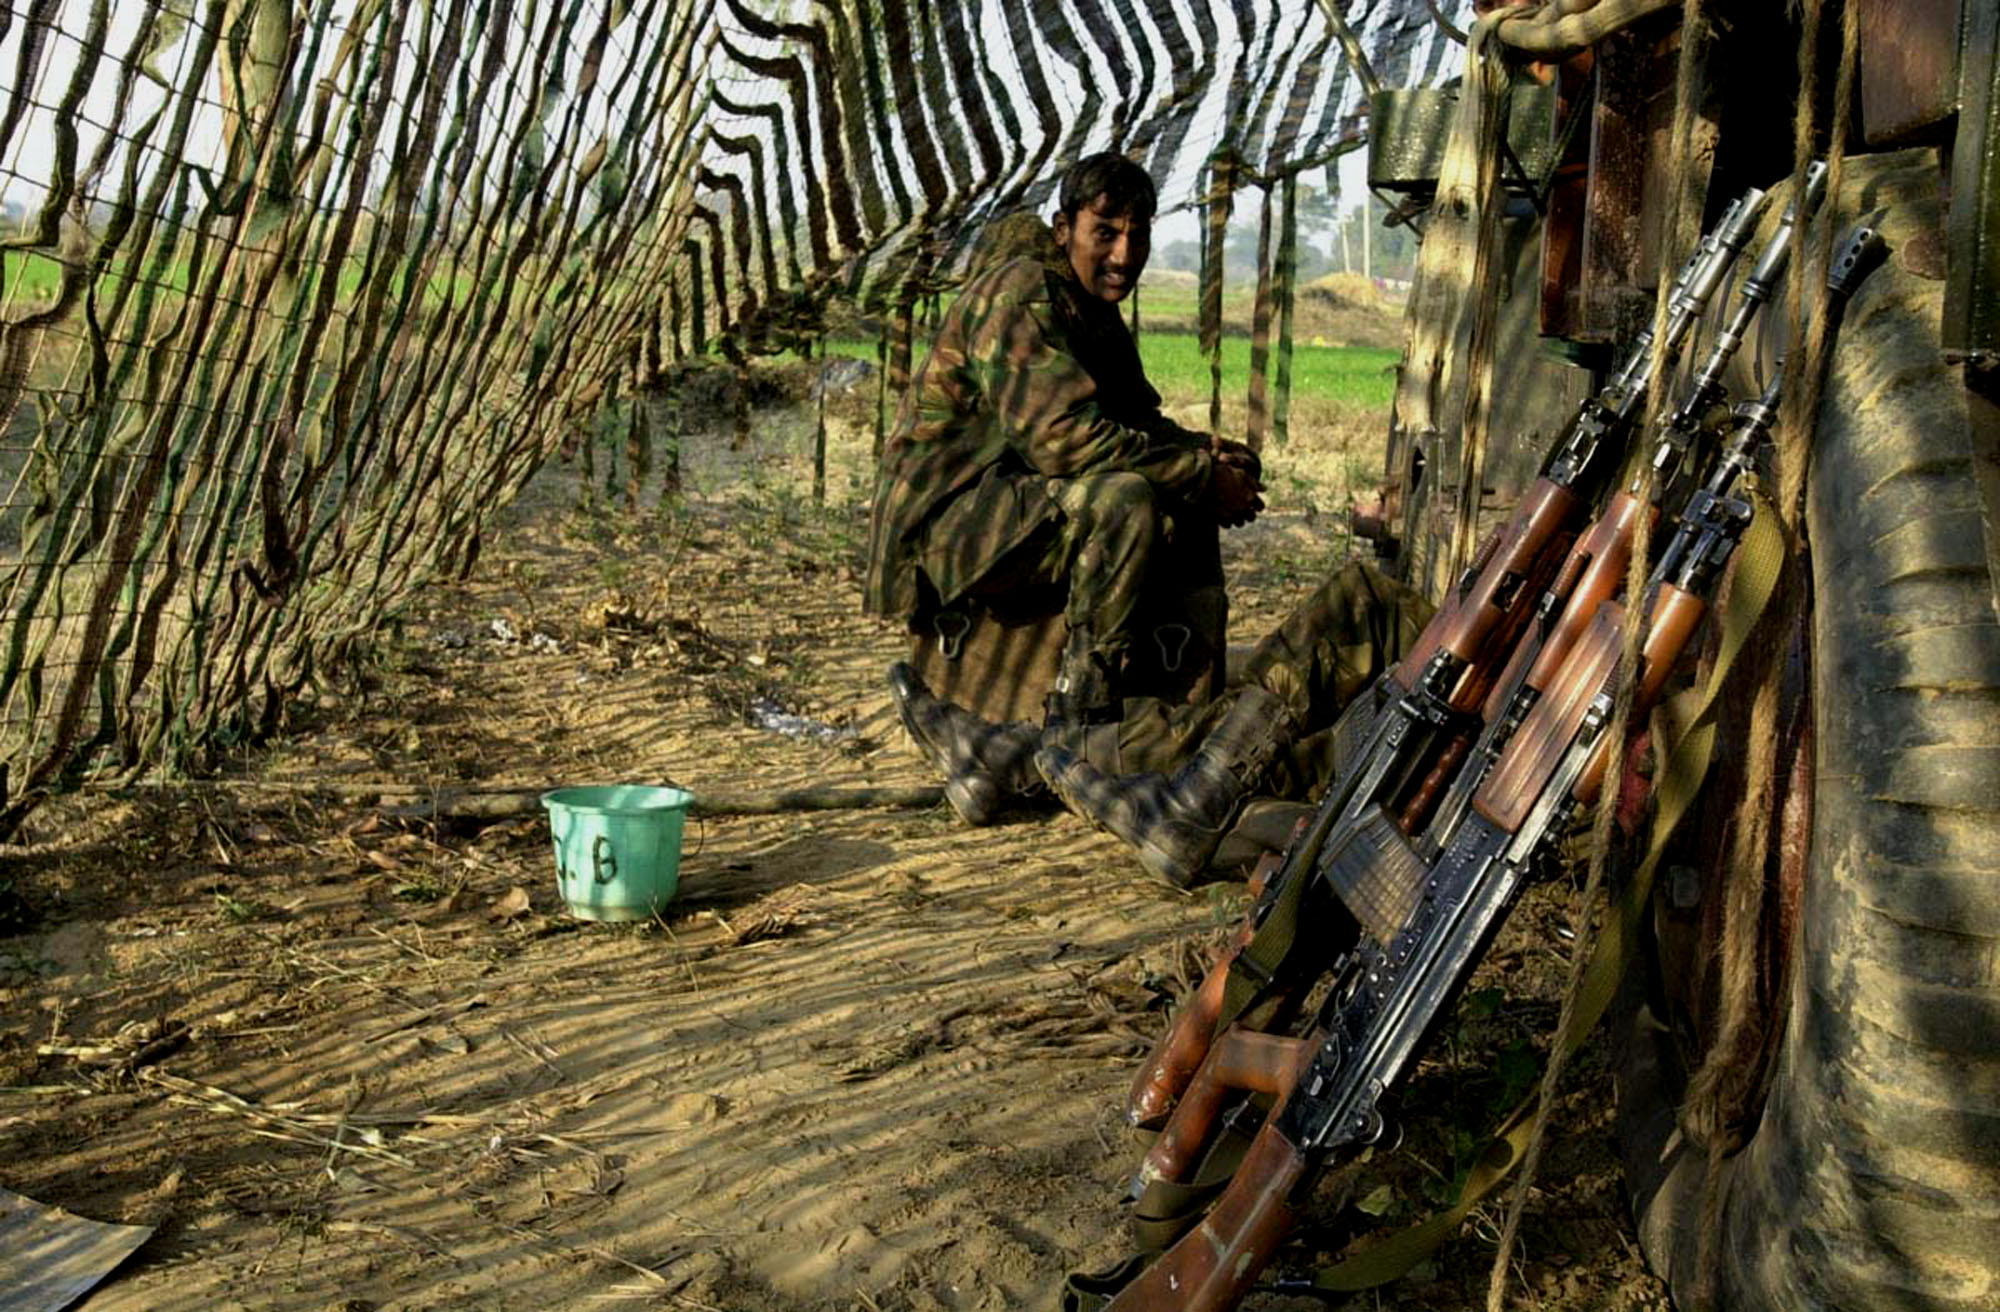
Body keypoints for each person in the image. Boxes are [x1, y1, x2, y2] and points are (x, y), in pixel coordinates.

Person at [863, 152, 1266, 734]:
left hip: (1008, 509)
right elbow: (1065, 442)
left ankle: (1169, 698)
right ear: (1063, 229)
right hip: (945, 527)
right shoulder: (1023, 293)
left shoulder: (1089, 309)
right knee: (1122, 500)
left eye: (1137, 235)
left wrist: (1209, 455)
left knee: (1169, 486)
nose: (1124, 255)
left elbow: (1137, 420)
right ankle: (1083, 716)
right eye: (1104, 233)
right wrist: (1200, 477)